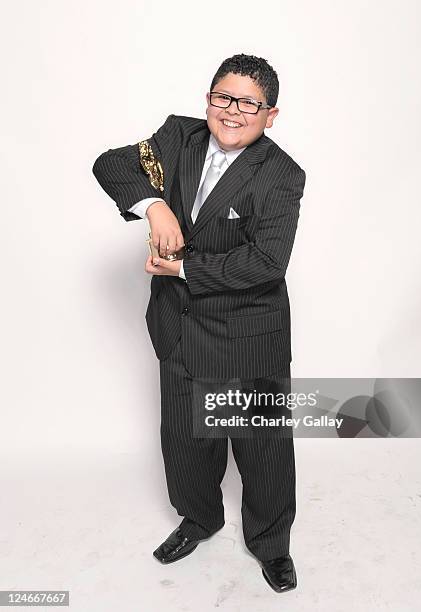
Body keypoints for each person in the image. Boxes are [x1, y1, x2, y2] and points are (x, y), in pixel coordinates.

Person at [92, 53, 306, 593]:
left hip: (247, 337)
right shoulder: (178, 137)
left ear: (270, 115)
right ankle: (199, 519)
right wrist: (154, 206)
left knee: (262, 451)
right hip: (179, 327)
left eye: (249, 104)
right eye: (223, 97)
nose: (233, 111)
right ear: (208, 99)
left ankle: (272, 545)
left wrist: (184, 266)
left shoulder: (282, 175)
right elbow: (111, 164)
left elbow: (266, 262)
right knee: (185, 439)